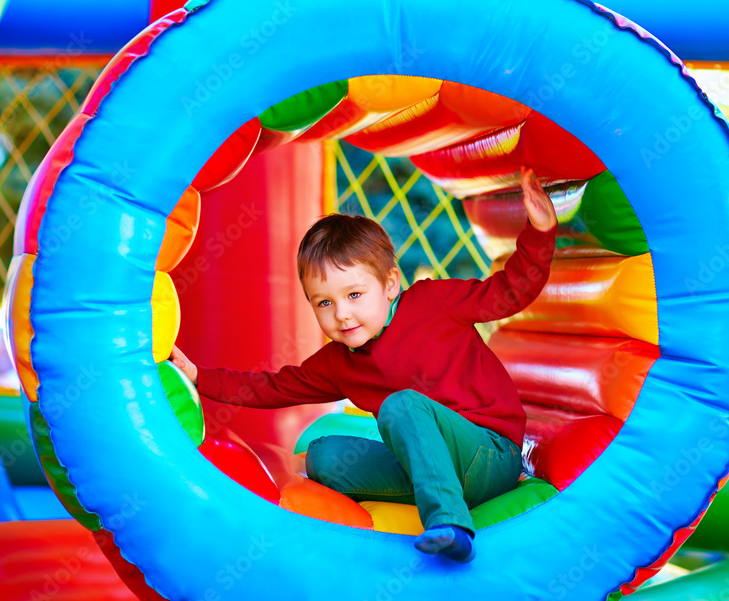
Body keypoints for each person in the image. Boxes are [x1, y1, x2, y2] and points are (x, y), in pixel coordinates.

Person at [171, 166, 558, 563]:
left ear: (390, 284)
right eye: (325, 302)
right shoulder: (338, 362)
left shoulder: (431, 304)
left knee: (401, 404)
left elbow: (511, 291)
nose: (341, 314)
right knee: (323, 456)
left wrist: (540, 231)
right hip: (428, 465)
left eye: (355, 294)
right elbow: (273, 386)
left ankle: (450, 525)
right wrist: (199, 377)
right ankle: (428, 498)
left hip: (489, 455)